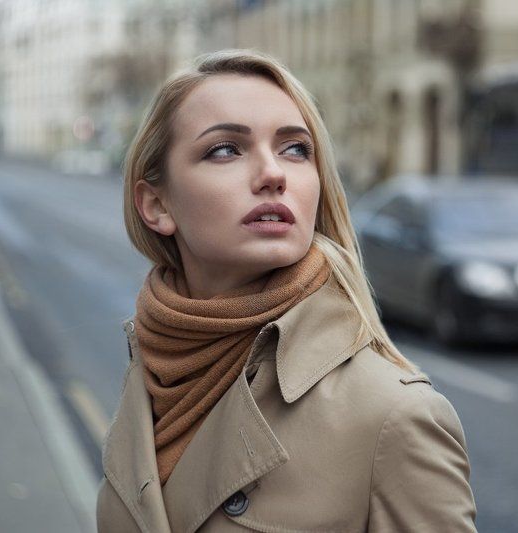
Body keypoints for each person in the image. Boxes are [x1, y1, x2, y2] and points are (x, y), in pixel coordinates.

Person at [96, 49, 477, 532]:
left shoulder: (393, 416)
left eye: (295, 148)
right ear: (156, 204)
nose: (274, 173)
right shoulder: (154, 374)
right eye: (226, 149)